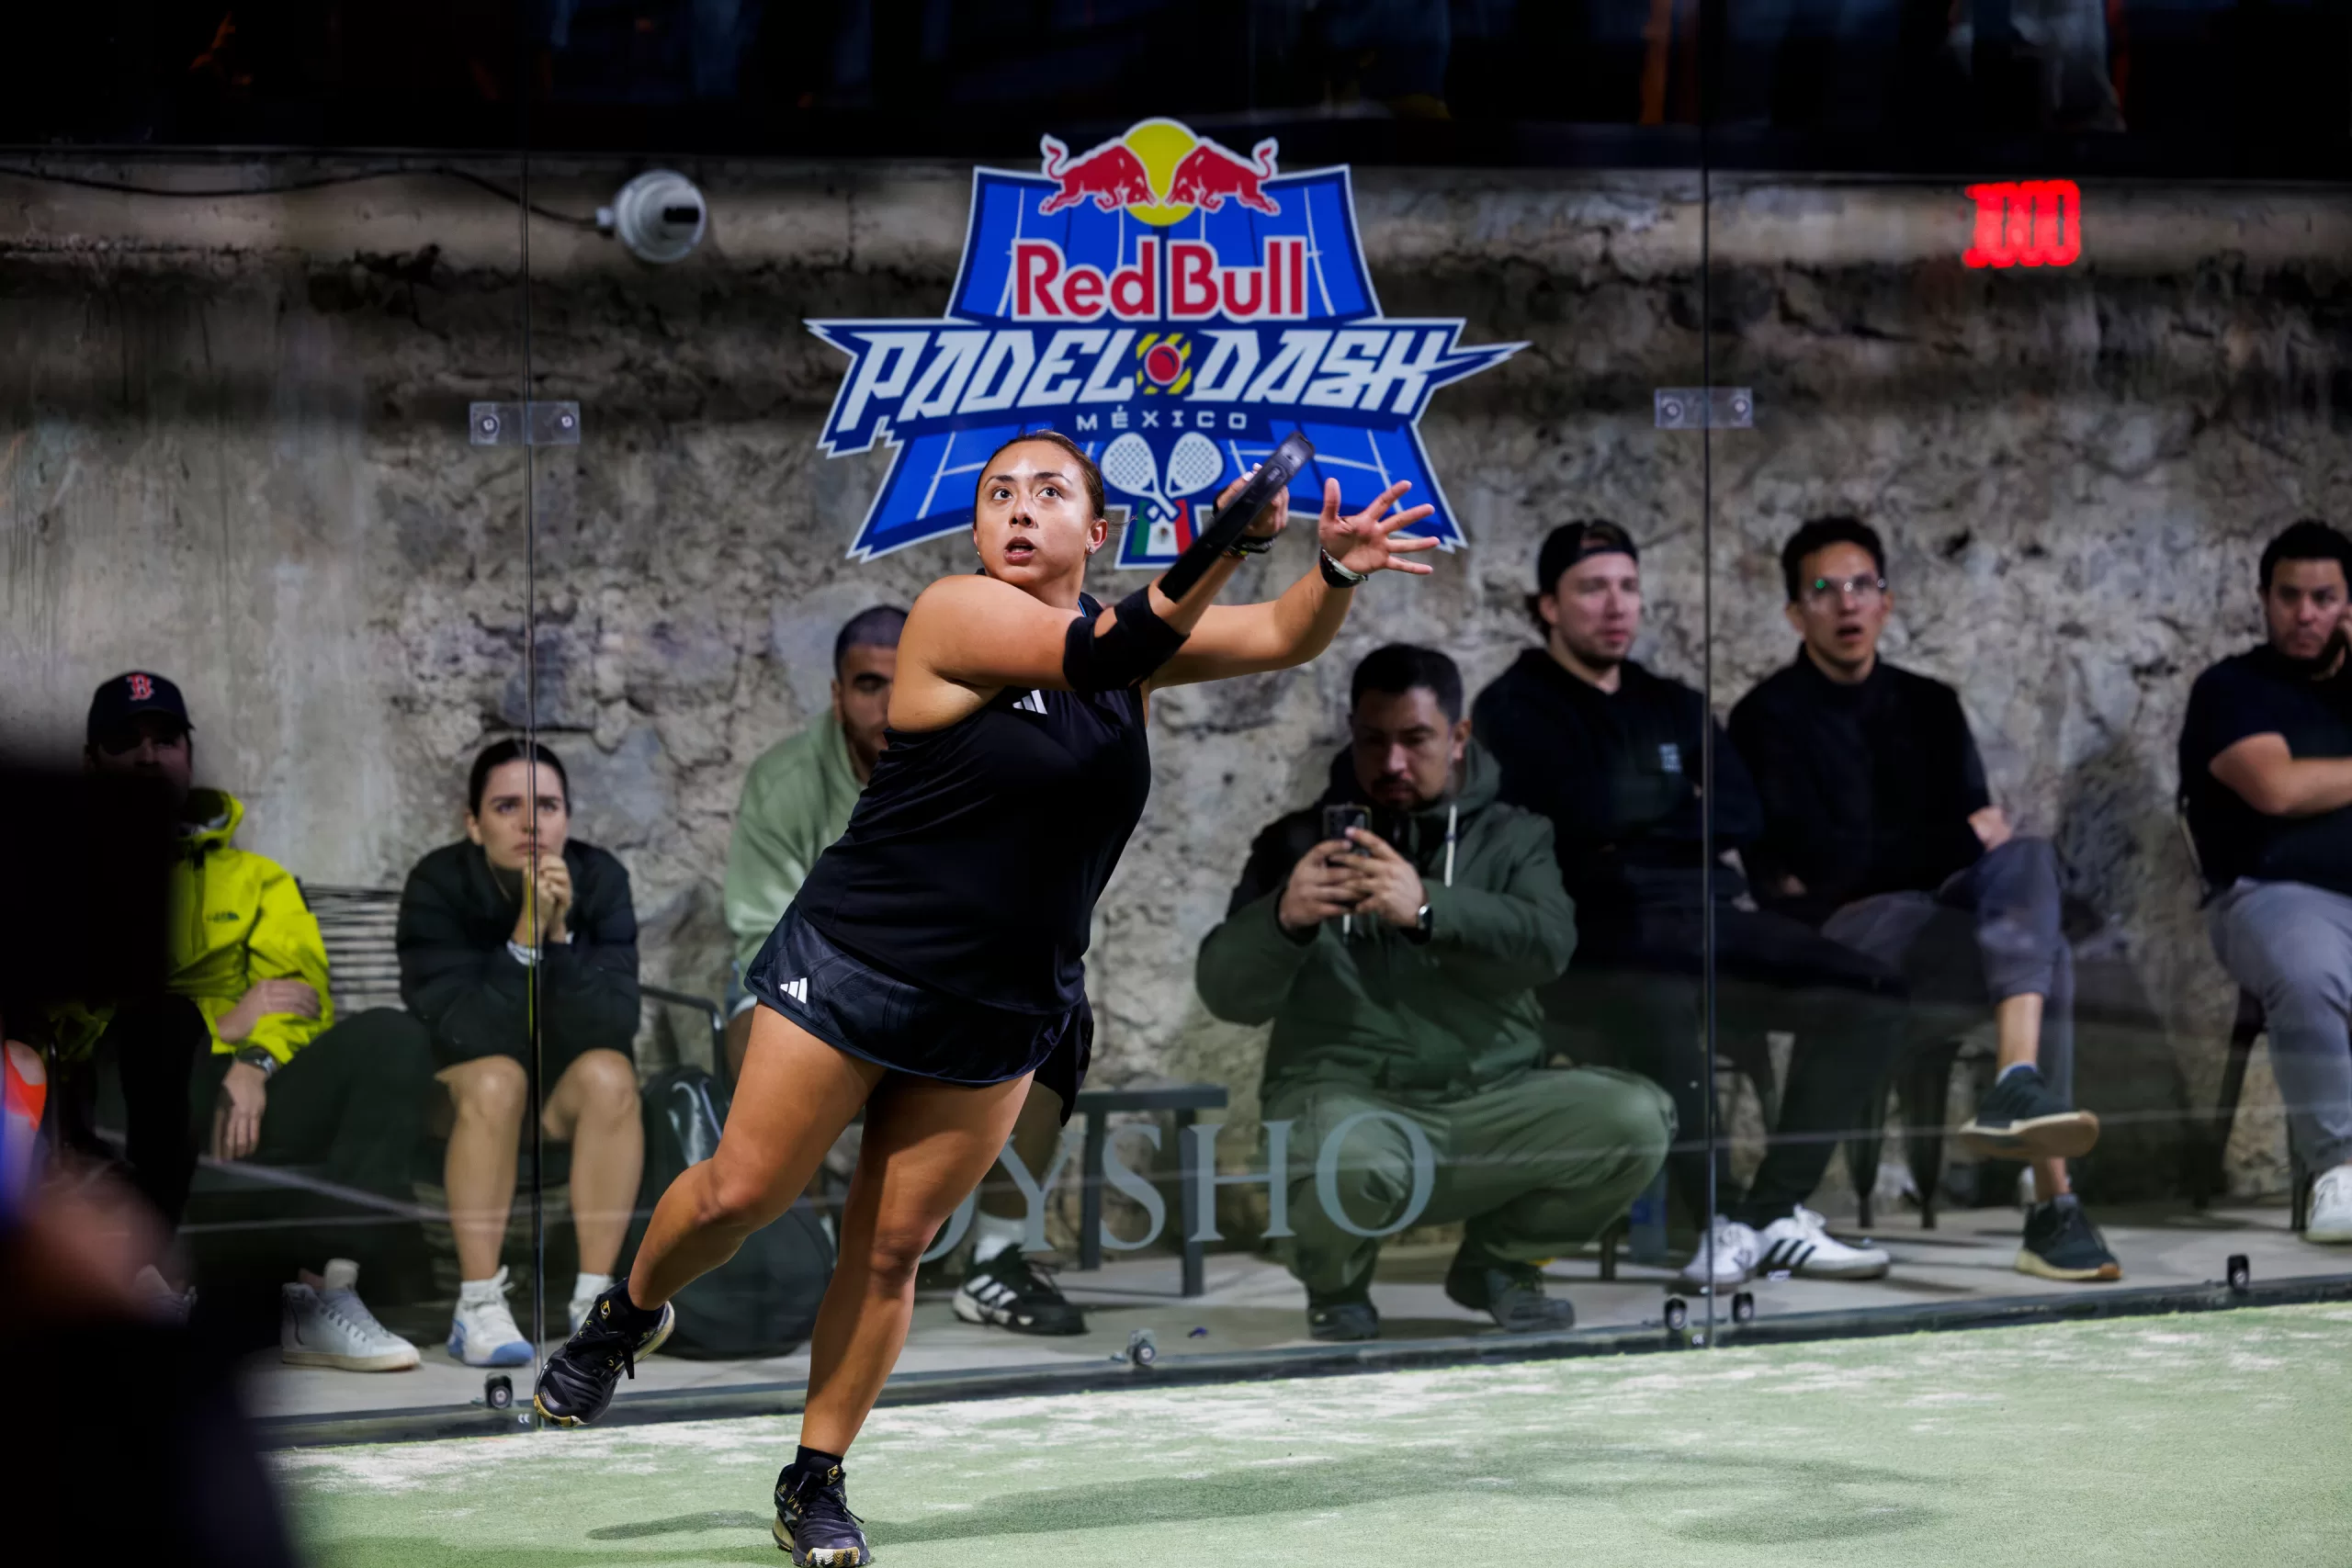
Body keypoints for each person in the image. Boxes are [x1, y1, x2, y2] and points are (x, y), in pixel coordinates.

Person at [534, 428, 1438, 1565]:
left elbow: (1278, 634)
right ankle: (625, 1316)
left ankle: (814, 1480)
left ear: (1095, 531)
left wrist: (1336, 566)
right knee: (741, 1192)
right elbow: (1109, 647)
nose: (1017, 507)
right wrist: (1224, 539)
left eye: (1047, 492)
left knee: (890, 1251)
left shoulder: (1132, 648)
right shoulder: (957, 614)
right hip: (854, 964)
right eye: (997, 492)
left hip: (1002, 1007)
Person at [1472, 523, 1909, 1292]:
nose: (1616, 605)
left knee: (1872, 991)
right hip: (1594, 931)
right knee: (1663, 996)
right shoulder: (1514, 707)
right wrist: (1668, 809)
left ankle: (1771, 1215)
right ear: (1548, 606)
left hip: (1705, 916)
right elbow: (1570, 819)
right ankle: (1719, 1216)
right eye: (1592, 588)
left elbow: (1740, 812)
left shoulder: (1670, 702)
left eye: (1628, 586)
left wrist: (1630, 819)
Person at [1196, 643, 1672, 1341]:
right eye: (1374, 740)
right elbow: (1227, 996)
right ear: (1353, 734)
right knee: (1341, 1152)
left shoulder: (1516, 838)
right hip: (1351, 1102)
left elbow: (1549, 946)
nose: (1392, 762)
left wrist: (1427, 909)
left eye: (1415, 739)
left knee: (1636, 1120)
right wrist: (1282, 920)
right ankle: (1336, 1286)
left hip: (1493, 1101)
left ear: (1457, 736)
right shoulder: (1294, 844)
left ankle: (1501, 1266)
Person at [1730, 517, 2119, 1282]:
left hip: (1933, 914)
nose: (1847, 602)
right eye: (1824, 589)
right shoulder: (1764, 717)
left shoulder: (1930, 704)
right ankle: (2054, 1206)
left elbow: (1980, 848)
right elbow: (1820, 867)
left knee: (2029, 857)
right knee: (2045, 948)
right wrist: (1950, 839)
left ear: (1887, 600)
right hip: (1837, 932)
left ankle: (2016, 1083)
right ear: (1795, 613)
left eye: (1863, 585)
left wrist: (1948, 845)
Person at [55, 671, 434, 1370]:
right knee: (160, 1027)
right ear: (91, 761)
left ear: (187, 755)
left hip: (236, 1098)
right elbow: (65, 1018)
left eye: (165, 739)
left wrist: (254, 1061)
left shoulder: (256, 878)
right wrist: (224, 1023)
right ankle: (152, 1289)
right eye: (126, 742)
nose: (148, 757)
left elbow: (300, 996)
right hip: (122, 1096)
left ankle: (320, 1293)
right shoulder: (64, 874)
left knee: (393, 1035)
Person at [725, 605, 1085, 1337]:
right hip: (818, 981)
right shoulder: (785, 781)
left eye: (904, 677)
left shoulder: (989, 759)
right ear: (837, 696)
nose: (889, 701)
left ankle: (997, 1255)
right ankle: (804, 1247)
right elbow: (759, 929)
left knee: (1058, 1016)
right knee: (748, 1027)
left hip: (948, 988)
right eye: (868, 684)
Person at [399, 738, 644, 1364]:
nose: (531, 823)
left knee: (611, 1075)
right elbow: (462, 1032)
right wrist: (527, 933)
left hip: (552, 1101)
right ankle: (477, 1304)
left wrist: (559, 936)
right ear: (473, 823)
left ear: (568, 818)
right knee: (497, 1078)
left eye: (548, 806)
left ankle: (597, 1304)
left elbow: (616, 1024)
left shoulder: (600, 878)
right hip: (460, 1100)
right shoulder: (437, 883)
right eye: (507, 806)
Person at [2181, 519, 2352, 1246]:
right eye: (2289, 596)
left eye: (2324, 598)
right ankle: (2339, 1169)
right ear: (2263, 598)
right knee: (2310, 973)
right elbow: (2277, 788)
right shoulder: (2231, 689)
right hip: (2271, 893)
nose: (2305, 614)